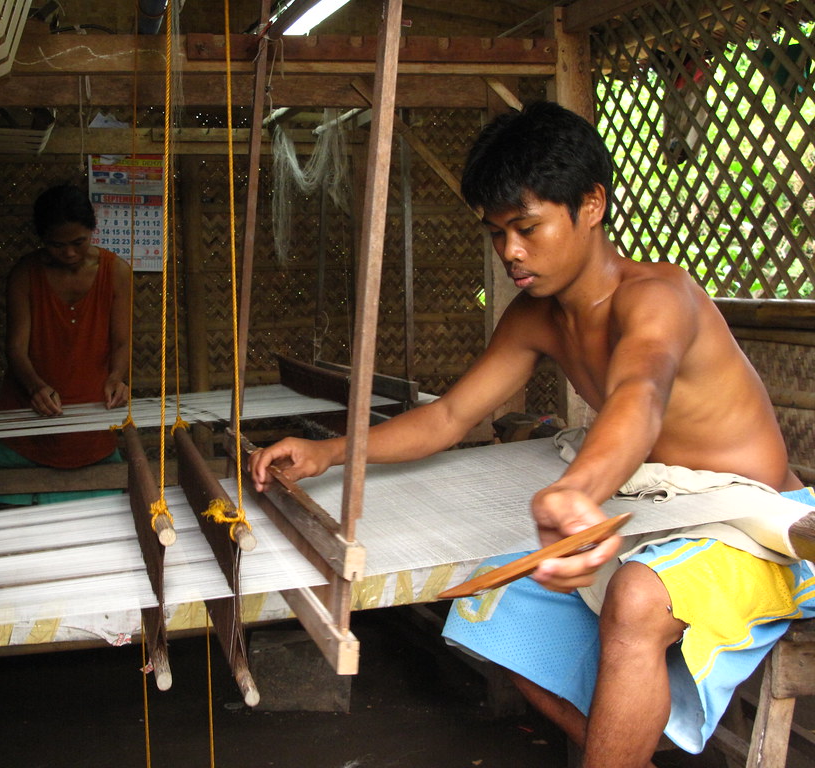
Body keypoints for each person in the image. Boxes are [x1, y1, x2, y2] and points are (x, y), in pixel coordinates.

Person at [249, 101, 815, 767]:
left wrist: (579, 490)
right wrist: (328, 451)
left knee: (636, 596)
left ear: (592, 204)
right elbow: (449, 417)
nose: (509, 251)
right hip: (657, 509)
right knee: (488, 598)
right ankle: (624, 746)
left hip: (756, 523)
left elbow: (641, 396)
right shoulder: (536, 316)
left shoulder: (661, 297)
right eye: (496, 232)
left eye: (526, 227)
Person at [0, 183, 131, 504]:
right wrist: (35, 387)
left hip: (91, 414)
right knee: (14, 525)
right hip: (27, 414)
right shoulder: (25, 274)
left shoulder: (116, 272)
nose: (70, 253)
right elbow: (16, 348)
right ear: (42, 240)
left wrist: (117, 378)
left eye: (79, 242)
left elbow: (121, 342)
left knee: (97, 519)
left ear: (93, 229)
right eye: (56, 245)